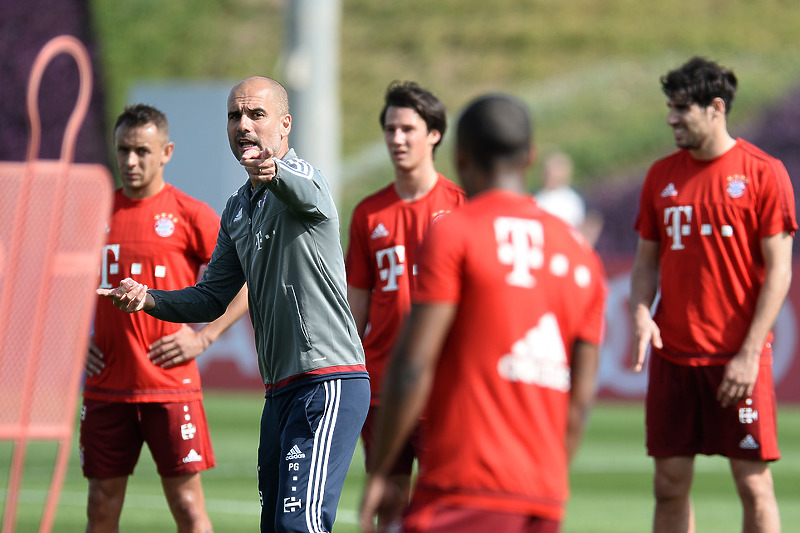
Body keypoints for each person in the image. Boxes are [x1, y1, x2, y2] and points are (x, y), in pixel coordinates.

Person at [98, 76, 370, 533]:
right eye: (234, 116)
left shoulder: (306, 180)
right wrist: (148, 298)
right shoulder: (239, 208)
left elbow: (305, 190)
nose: (243, 125)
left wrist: (273, 170)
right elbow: (210, 297)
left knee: (299, 526)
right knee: (276, 528)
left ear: (285, 125)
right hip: (280, 390)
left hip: (329, 381)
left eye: (256, 115)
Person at [360, 93, 607, 533]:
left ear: (459, 156)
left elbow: (413, 364)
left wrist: (378, 472)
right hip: (542, 497)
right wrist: (550, 477)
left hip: (463, 489)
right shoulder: (580, 254)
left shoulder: (455, 232)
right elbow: (581, 396)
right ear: (530, 157)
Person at [630, 56, 796, 533]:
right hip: (675, 356)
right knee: (669, 483)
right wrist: (641, 313)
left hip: (738, 358)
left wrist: (749, 354)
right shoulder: (661, 176)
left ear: (715, 107)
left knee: (753, 485)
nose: (671, 119)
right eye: (669, 107)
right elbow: (645, 263)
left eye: (682, 108)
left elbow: (779, 272)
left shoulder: (764, 173)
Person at [83, 103, 249, 533]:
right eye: (123, 150)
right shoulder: (91, 214)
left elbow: (249, 279)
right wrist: (73, 341)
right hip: (107, 387)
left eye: (141, 150)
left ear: (166, 152)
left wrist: (204, 338)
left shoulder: (189, 213)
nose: (131, 161)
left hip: (170, 385)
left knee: (188, 506)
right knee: (101, 505)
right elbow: (58, 285)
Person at [345, 80, 465, 529]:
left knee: (445, 504)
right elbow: (355, 308)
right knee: (389, 502)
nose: (397, 139)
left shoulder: (463, 208)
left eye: (408, 129)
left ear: (433, 133)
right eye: (390, 129)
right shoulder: (368, 214)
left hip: (444, 384)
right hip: (382, 386)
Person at [535, 150, 603, 246]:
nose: (552, 173)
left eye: (557, 169)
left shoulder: (575, 198)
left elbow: (593, 220)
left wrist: (584, 243)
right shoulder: (536, 198)